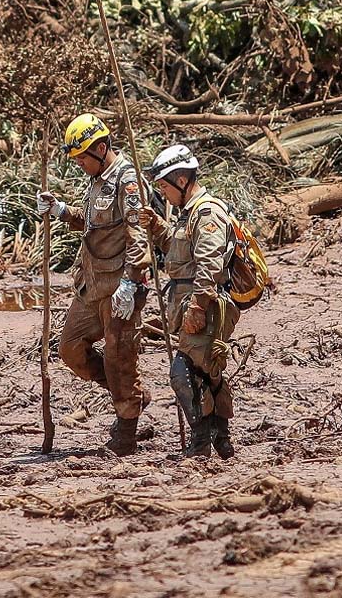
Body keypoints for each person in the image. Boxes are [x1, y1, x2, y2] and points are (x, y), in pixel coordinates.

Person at [37, 113, 151, 455]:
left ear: (102, 148)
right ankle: (127, 393)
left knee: (120, 357)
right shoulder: (97, 179)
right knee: (70, 349)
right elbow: (91, 225)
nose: (80, 164)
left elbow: (139, 236)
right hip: (90, 284)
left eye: (83, 157)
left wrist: (132, 283)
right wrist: (60, 210)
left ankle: (126, 429)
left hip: (119, 287)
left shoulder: (127, 182)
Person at [138, 144, 239, 458]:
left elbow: (210, 264)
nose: (163, 193)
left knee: (183, 373)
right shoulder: (187, 215)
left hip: (205, 306)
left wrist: (197, 306)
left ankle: (200, 444)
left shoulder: (207, 212)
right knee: (207, 373)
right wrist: (156, 227)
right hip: (189, 303)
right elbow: (178, 249)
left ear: (182, 181)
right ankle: (220, 441)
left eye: (165, 187)